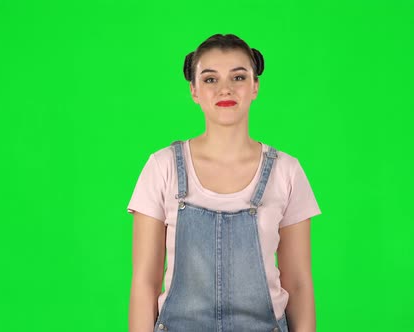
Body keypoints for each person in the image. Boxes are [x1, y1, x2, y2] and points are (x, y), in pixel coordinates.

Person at [127, 33, 321, 332]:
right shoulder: (162, 167)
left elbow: (298, 283)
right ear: (194, 90)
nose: (225, 89)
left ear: (255, 86)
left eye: (239, 77)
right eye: (210, 79)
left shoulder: (286, 171)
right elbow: (144, 282)